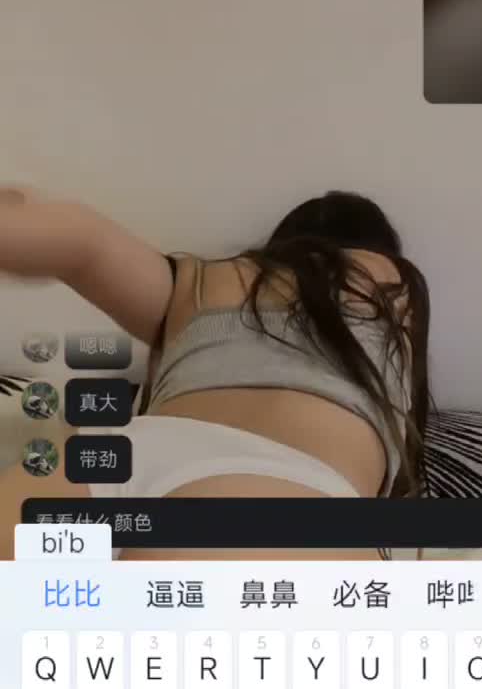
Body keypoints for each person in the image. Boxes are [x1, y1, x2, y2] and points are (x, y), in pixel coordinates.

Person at [0, 187, 430, 559]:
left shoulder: (207, 278)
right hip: (287, 488)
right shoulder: (392, 287)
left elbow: (83, 246)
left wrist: (18, 214)